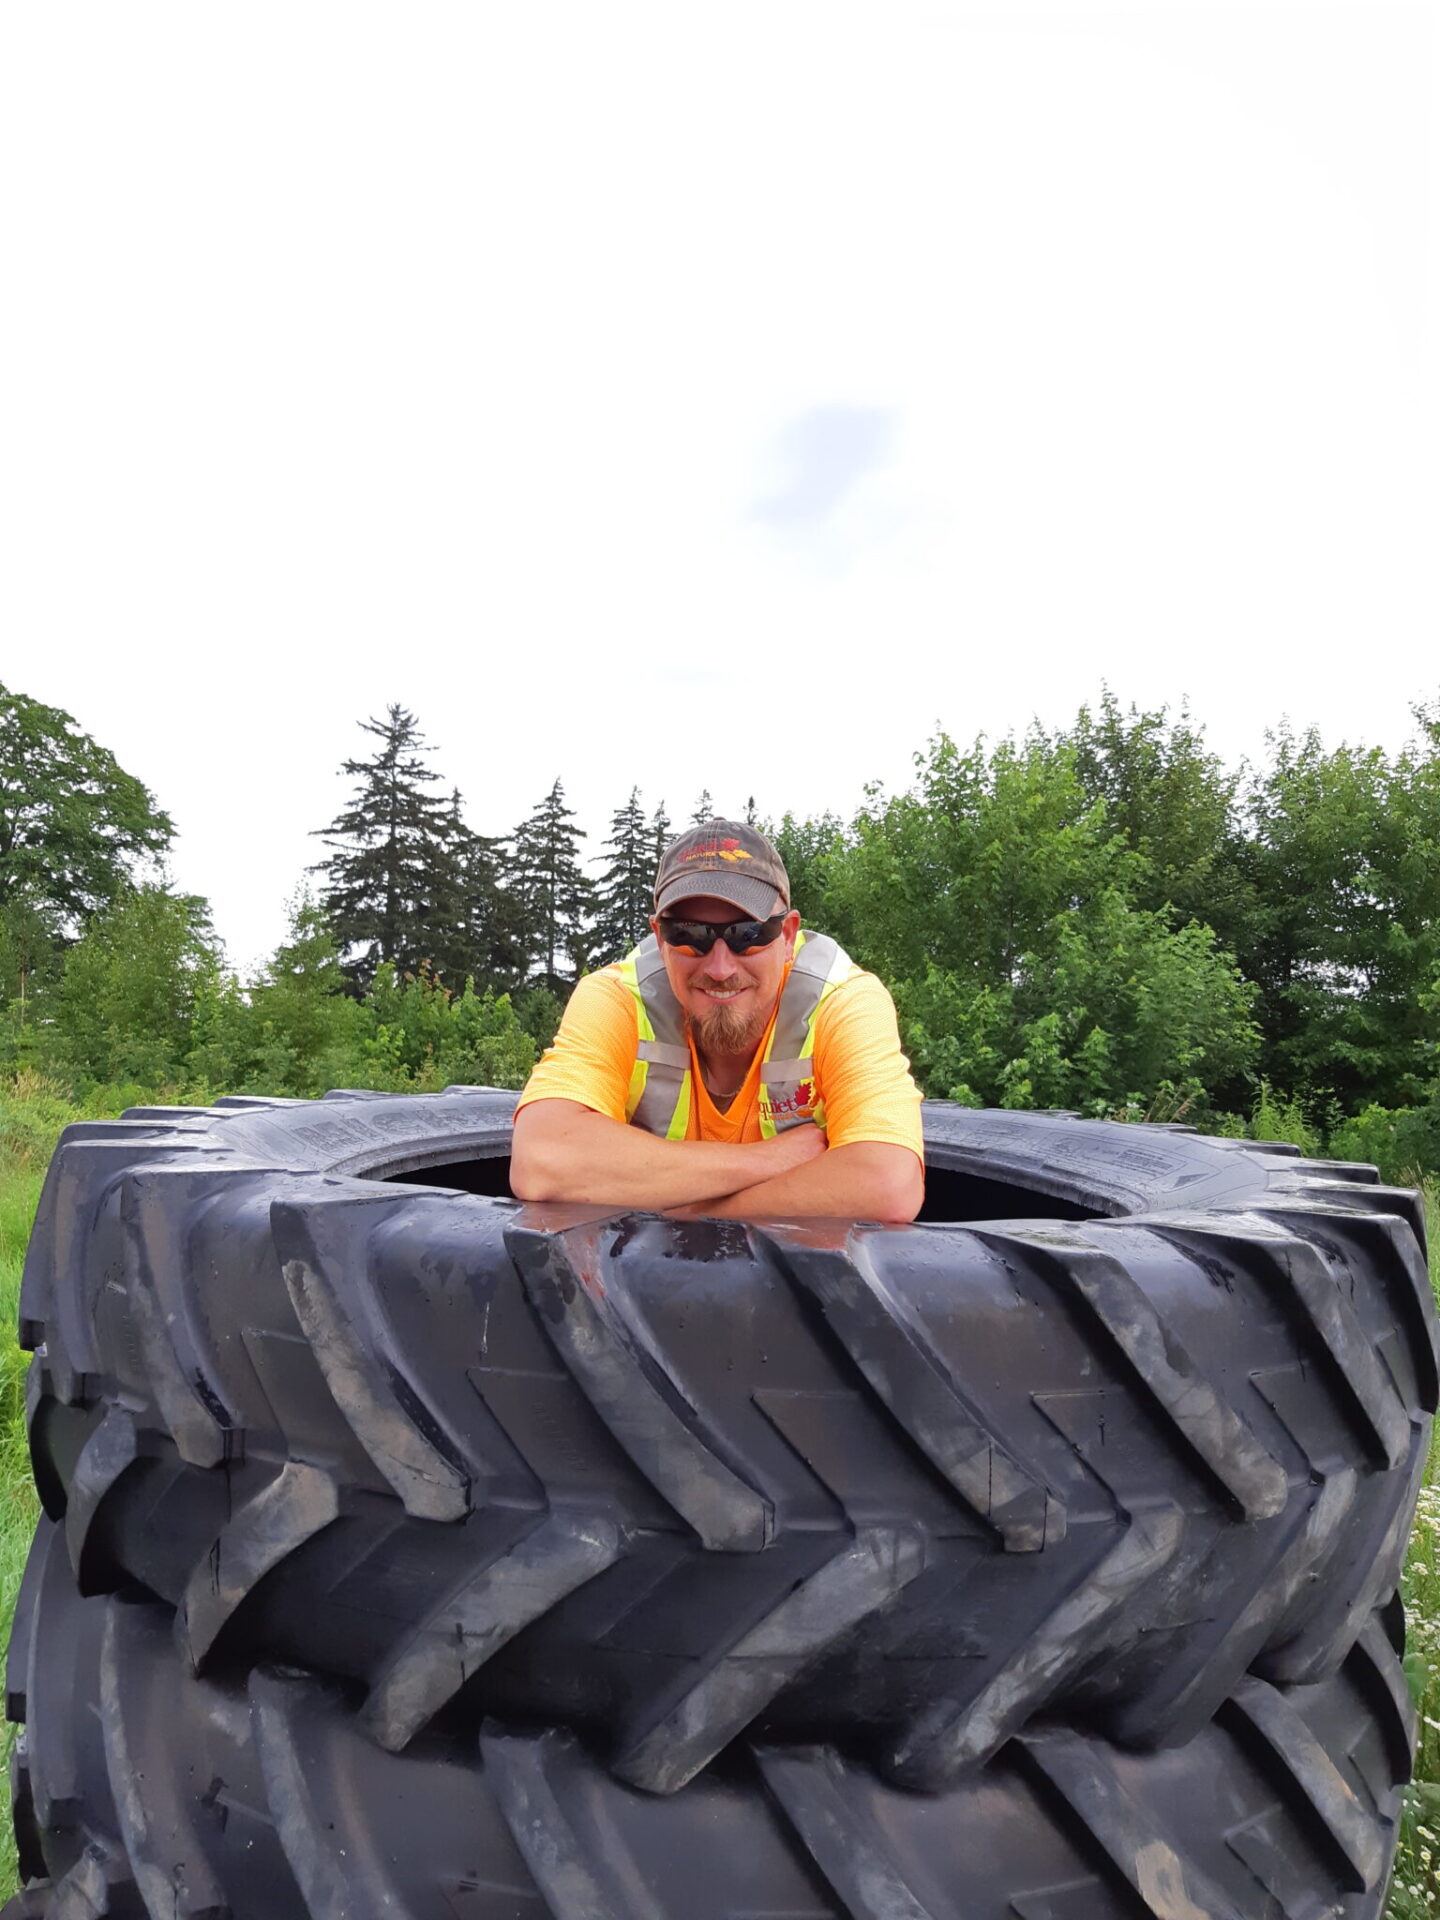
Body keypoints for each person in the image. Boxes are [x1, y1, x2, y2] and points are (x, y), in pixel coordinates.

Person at [510, 819, 924, 1220]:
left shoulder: (843, 1002)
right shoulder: (617, 997)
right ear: (659, 937)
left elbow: (887, 1182)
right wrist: (767, 1161)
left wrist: (692, 1213)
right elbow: (542, 1158)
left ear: (786, 936)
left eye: (748, 934)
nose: (721, 968)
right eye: (690, 935)